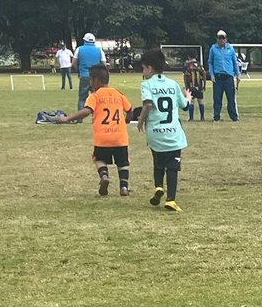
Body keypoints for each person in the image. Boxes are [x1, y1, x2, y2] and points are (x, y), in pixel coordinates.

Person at [54, 64, 134, 196]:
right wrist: (126, 120)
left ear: (96, 80)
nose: (90, 83)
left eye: (91, 80)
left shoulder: (95, 96)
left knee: (99, 159)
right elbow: (130, 110)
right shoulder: (118, 94)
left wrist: (67, 119)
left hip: (102, 137)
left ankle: (104, 176)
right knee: (123, 162)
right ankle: (124, 187)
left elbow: (87, 110)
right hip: (120, 137)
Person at [137, 48, 191, 212]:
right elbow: (185, 106)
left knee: (158, 162)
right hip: (173, 133)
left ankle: (159, 186)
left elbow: (147, 104)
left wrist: (141, 120)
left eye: (143, 68)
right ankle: (171, 200)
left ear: (150, 68)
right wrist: (188, 97)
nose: (143, 72)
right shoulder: (173, 84)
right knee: (172, 167)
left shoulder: (146, 84)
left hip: (155, 132)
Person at [207, 30, 240, 122]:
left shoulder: (230, 49)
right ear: (217, 39)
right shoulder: (213, 49)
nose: (222, 40)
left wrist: (238, 74)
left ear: (226, 39)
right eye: (220, 38)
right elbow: (210, 63)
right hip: (218, 77)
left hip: (228, 76)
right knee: (217, 98)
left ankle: (234, 117)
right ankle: (216, 116)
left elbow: (234, 62)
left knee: (231, 98)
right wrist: (212, 75)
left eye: (223, 38)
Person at [75, 33, 106, 112]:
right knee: (97, 97)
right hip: (96, 77)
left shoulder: (79, 49)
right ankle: (96, 117)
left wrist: (79, 71)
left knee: (82, 98)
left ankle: (79, 118)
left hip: (84, 76)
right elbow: (104, 64)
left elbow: (73, 63)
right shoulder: (99, 50)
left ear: (84, 40)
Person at [183, 57, 207, 121]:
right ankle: (202, 117)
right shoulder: (199, 65)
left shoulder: (188, 65)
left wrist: (186, 86)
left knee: (192, 102)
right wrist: (204, 85)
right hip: (199, 86)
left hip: (191, 86)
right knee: (201, 102)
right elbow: (204, 75)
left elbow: (185, 76)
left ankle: (191, 118)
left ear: (189, 56)